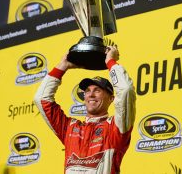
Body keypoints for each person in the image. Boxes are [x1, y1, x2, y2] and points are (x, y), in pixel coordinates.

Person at [34, 46, 136, 174]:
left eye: (97, 90)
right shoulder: (69, 128)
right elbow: (41, 99)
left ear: (111, 99)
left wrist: (110, 61)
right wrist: (62, 65)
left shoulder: (115, 128)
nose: (91, 95)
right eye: (87, 91)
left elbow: (126, 90)